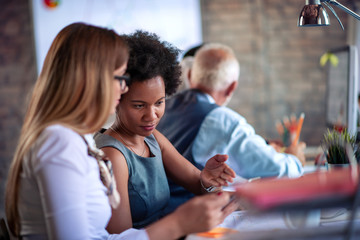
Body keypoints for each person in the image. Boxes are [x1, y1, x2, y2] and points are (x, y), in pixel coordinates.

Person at [4, 23, 236, 240]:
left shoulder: (75, 138)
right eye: (120, 77)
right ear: (91, 80)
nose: (123, 87)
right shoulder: (60, 141)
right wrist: (178, 224)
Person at [94, 31, 237, 234]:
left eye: (159, 103)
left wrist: (207, 179)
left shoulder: (152, 139)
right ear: (117, 99)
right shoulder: (114, 155)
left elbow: (197, 183)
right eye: (138, 106)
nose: (151, 115)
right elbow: (121, 236)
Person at [156, 43, 307, 214]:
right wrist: (294, 157)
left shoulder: (162, 107)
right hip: (188, 222)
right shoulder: (222, 120)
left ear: (190, 75)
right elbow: (281, 171)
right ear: (231, 88)